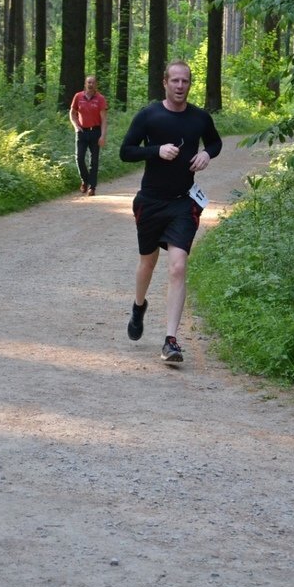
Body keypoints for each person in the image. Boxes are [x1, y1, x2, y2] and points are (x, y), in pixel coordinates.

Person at [119, 60, 222, 364]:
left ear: (190, 84)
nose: (180, 86)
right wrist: (156, 150)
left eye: (185, 81)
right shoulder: (149, 116)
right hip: (151, 201)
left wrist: (206, 153)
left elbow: (215, 142)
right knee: (148, 262)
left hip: (182, 203)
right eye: (174, 81)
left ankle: (170, 341)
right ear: (164, 82)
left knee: (177, 267)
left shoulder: (200, 118)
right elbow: (126, 152)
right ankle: (139, 306)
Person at [69, 75, 108, 196]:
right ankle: (85, 180)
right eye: (88, 82)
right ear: (85, 84)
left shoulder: (100, 99)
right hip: (82, 132)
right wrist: (76, 126)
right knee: (79, 158)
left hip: (95, 132)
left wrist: (102, 136)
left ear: (96, 85)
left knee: (94, 160)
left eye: (93, 83)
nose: (90, 85)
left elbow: (104, 119)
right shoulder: (78, 96)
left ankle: (92, 187)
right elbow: (72, 113)